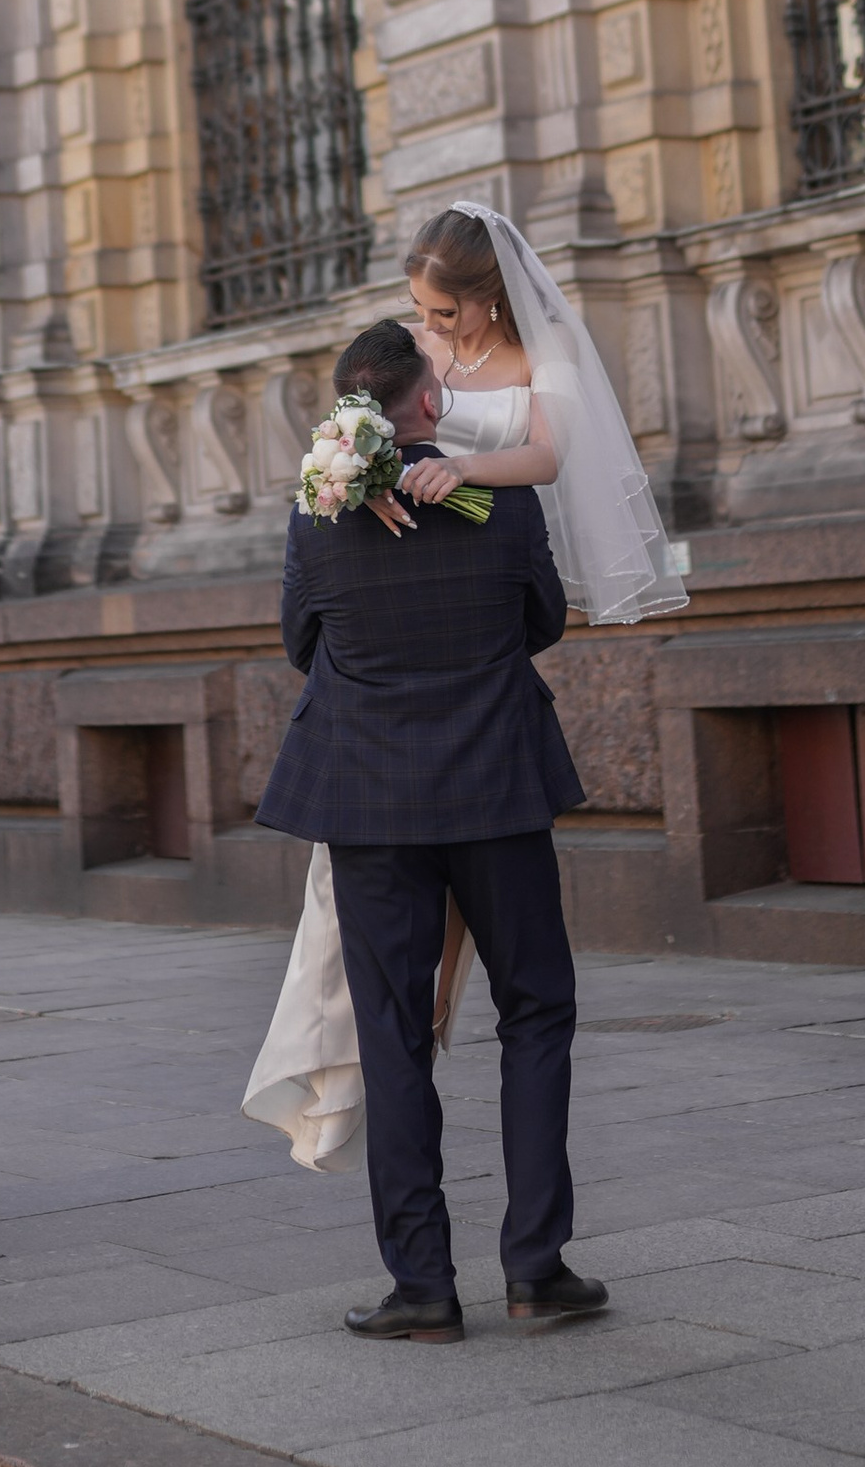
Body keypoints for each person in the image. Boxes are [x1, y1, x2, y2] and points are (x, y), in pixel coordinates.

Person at [243, 199, 687, 1186]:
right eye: (420, 311)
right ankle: (428, 1043)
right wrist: (367, 479)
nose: (428, 328)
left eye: (443, 313)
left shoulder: (544, 356)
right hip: (442, 654)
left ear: (489, 299)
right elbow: (363, 416)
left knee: (437, 971)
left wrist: (455, 471)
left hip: (480, 586)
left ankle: (418, 1220)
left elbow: (548, 457)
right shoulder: (413, 353)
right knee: (474, 984)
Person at [253, 314, 607, 1340]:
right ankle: (536, 1270)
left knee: (393, 1031)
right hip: (496, 783)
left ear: (350, 409)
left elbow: (300, 641)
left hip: (370, 799)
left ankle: (422, 1288)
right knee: (535, 1010)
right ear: (426, 401)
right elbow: (543, 620)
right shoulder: (501, 499)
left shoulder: (317, 512)